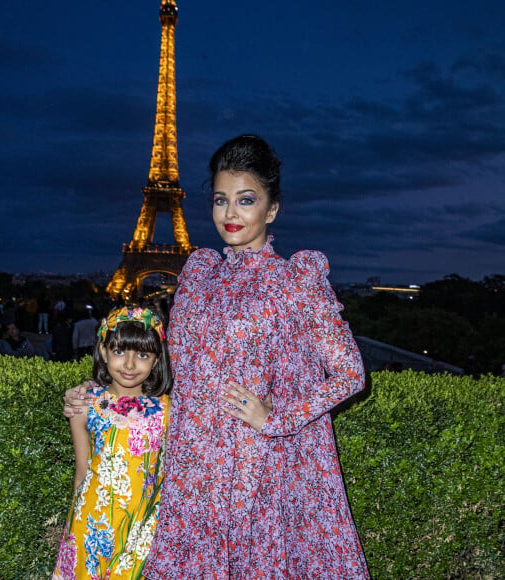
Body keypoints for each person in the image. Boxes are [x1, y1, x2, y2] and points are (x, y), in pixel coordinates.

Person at [64, 135, 369, 578]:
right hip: (192, 467)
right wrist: (99, 395)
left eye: (246, 200)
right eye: (221, 200)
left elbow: (349, 373)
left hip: (255, 471)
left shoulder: (296, 280)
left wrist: (277, 418)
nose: (231, 213)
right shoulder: (199, 273)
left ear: (272, 208)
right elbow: (166, 364)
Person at [53, 307, 171, 579]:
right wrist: (73, 530)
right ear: (104, 352)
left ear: (155, 361)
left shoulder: (168, 410)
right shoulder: (85, 405)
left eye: (142, 355)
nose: (129, 365)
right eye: (119, 352)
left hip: (143, 527)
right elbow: (81, 472)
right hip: (90, 522)